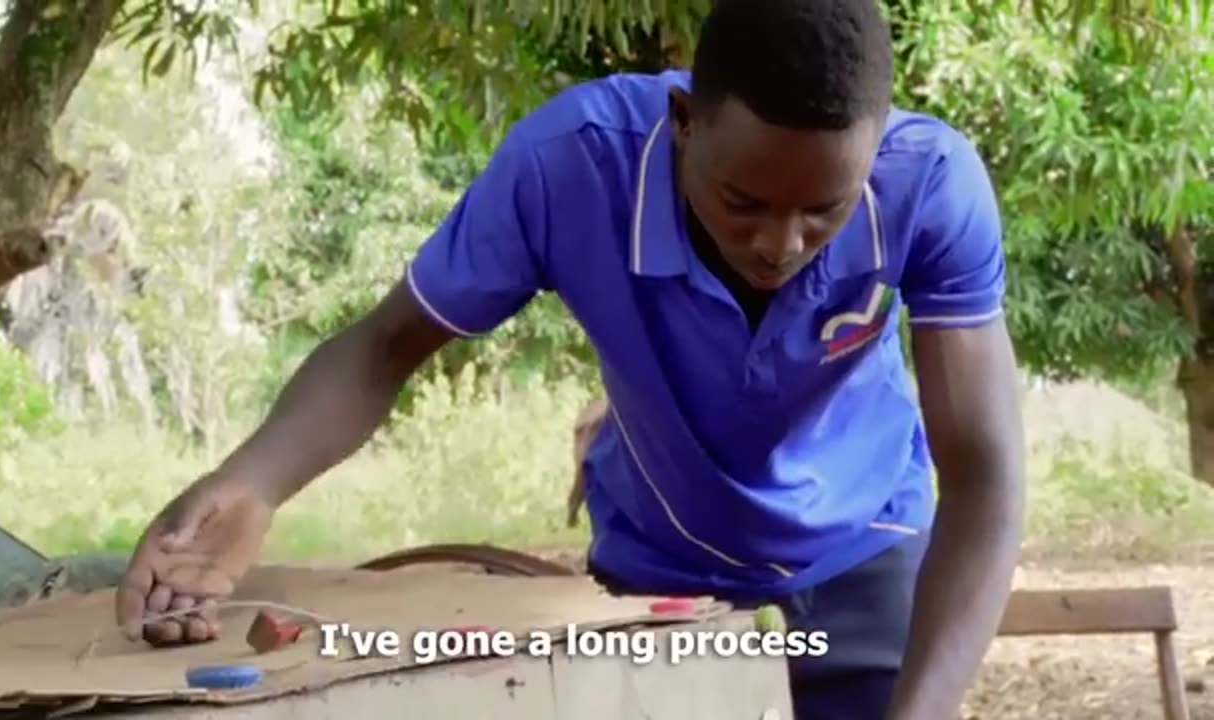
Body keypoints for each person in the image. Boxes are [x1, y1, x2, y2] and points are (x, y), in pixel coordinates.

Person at [115, 0, 1027, 717]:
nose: (781, 244)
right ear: (682, 122)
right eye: (743, 202)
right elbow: (386, 344)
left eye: (824, 211)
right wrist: (252, 484)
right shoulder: (571, 166)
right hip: (660, 570)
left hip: (864, 553)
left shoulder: (929, 186)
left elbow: (985, 475)